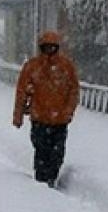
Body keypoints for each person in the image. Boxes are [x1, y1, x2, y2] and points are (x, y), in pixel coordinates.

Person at [12, 30, 80, 187]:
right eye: (46, 47)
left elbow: (73, 91)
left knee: (57, 154)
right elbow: (21, 92)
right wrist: (18, 115)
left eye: (52, 47)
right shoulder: (32, 67)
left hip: (60, 121)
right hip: (39, 119)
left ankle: (51, 179)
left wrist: (68, 112)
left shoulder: (66, 67)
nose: (49, 50)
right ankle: (42, 180)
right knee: (41, 152)